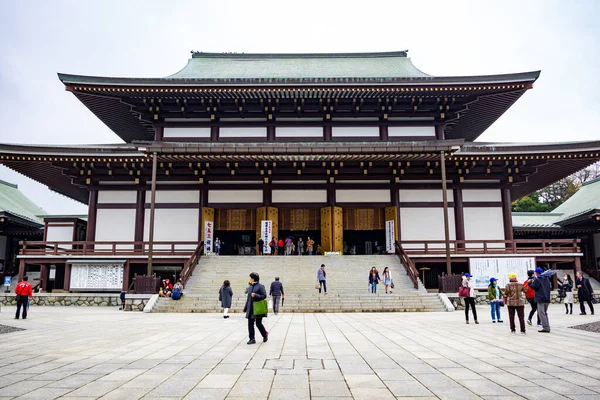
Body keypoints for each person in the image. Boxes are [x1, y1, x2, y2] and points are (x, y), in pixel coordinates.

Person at [528, 267, 557, 333]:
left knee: (541, 313)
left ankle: (546, 328)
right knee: (545, 313)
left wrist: (530, 283)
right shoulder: (546, 279)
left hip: (540, 298)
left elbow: (534, 287)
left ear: (536, 273)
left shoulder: (538, 279)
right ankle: (547, 326)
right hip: (547, 298)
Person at [243, 272, 268, 344]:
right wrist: (245, 308)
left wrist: (256, 295)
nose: (250, 279)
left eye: (251, 278)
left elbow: (264, 295)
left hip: (257, 308)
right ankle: (252, 339)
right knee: (250, 324)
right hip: (250, 308)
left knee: (258, 323)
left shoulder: (260, 286)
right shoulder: (250, 286)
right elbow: (247, 296)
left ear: (253, 279)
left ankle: (265, 334)